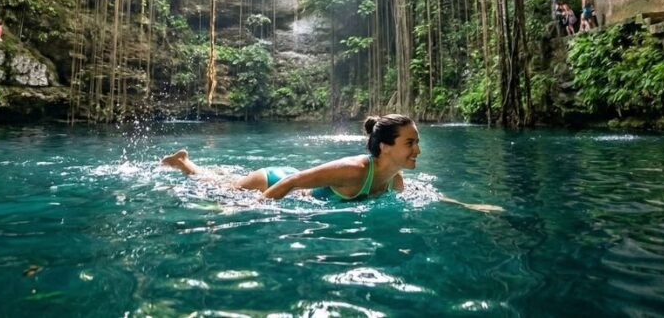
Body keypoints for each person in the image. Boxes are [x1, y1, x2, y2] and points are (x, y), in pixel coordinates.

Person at [161, 114, 503, 212]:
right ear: (384, 147)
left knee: (222, 182)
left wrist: (468, 205)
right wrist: (253, 207)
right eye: (410, 143)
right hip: (275, 180)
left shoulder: (394, 179)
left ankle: (193, 164)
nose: (418, 150)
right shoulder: (354, 170)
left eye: (418, 142)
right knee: (216, 189)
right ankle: (185, 164)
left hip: (295, 187)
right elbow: (295, 181)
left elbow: (427, 196)